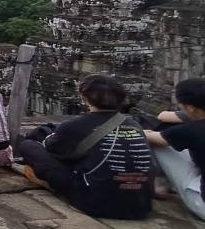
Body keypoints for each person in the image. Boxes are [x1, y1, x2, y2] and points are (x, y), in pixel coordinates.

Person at [16, 74, 154, 220]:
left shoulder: (74, 125)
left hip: (96, 202)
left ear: (85, 98)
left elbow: (51, 149)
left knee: (28, 146)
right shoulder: (134, 124)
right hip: (141, 205)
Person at [145, 78, 205, 220]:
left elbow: (152, 137)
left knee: (159, 144)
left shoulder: (192, 130)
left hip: (202, 203)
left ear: (190, 107)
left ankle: (159, 184)